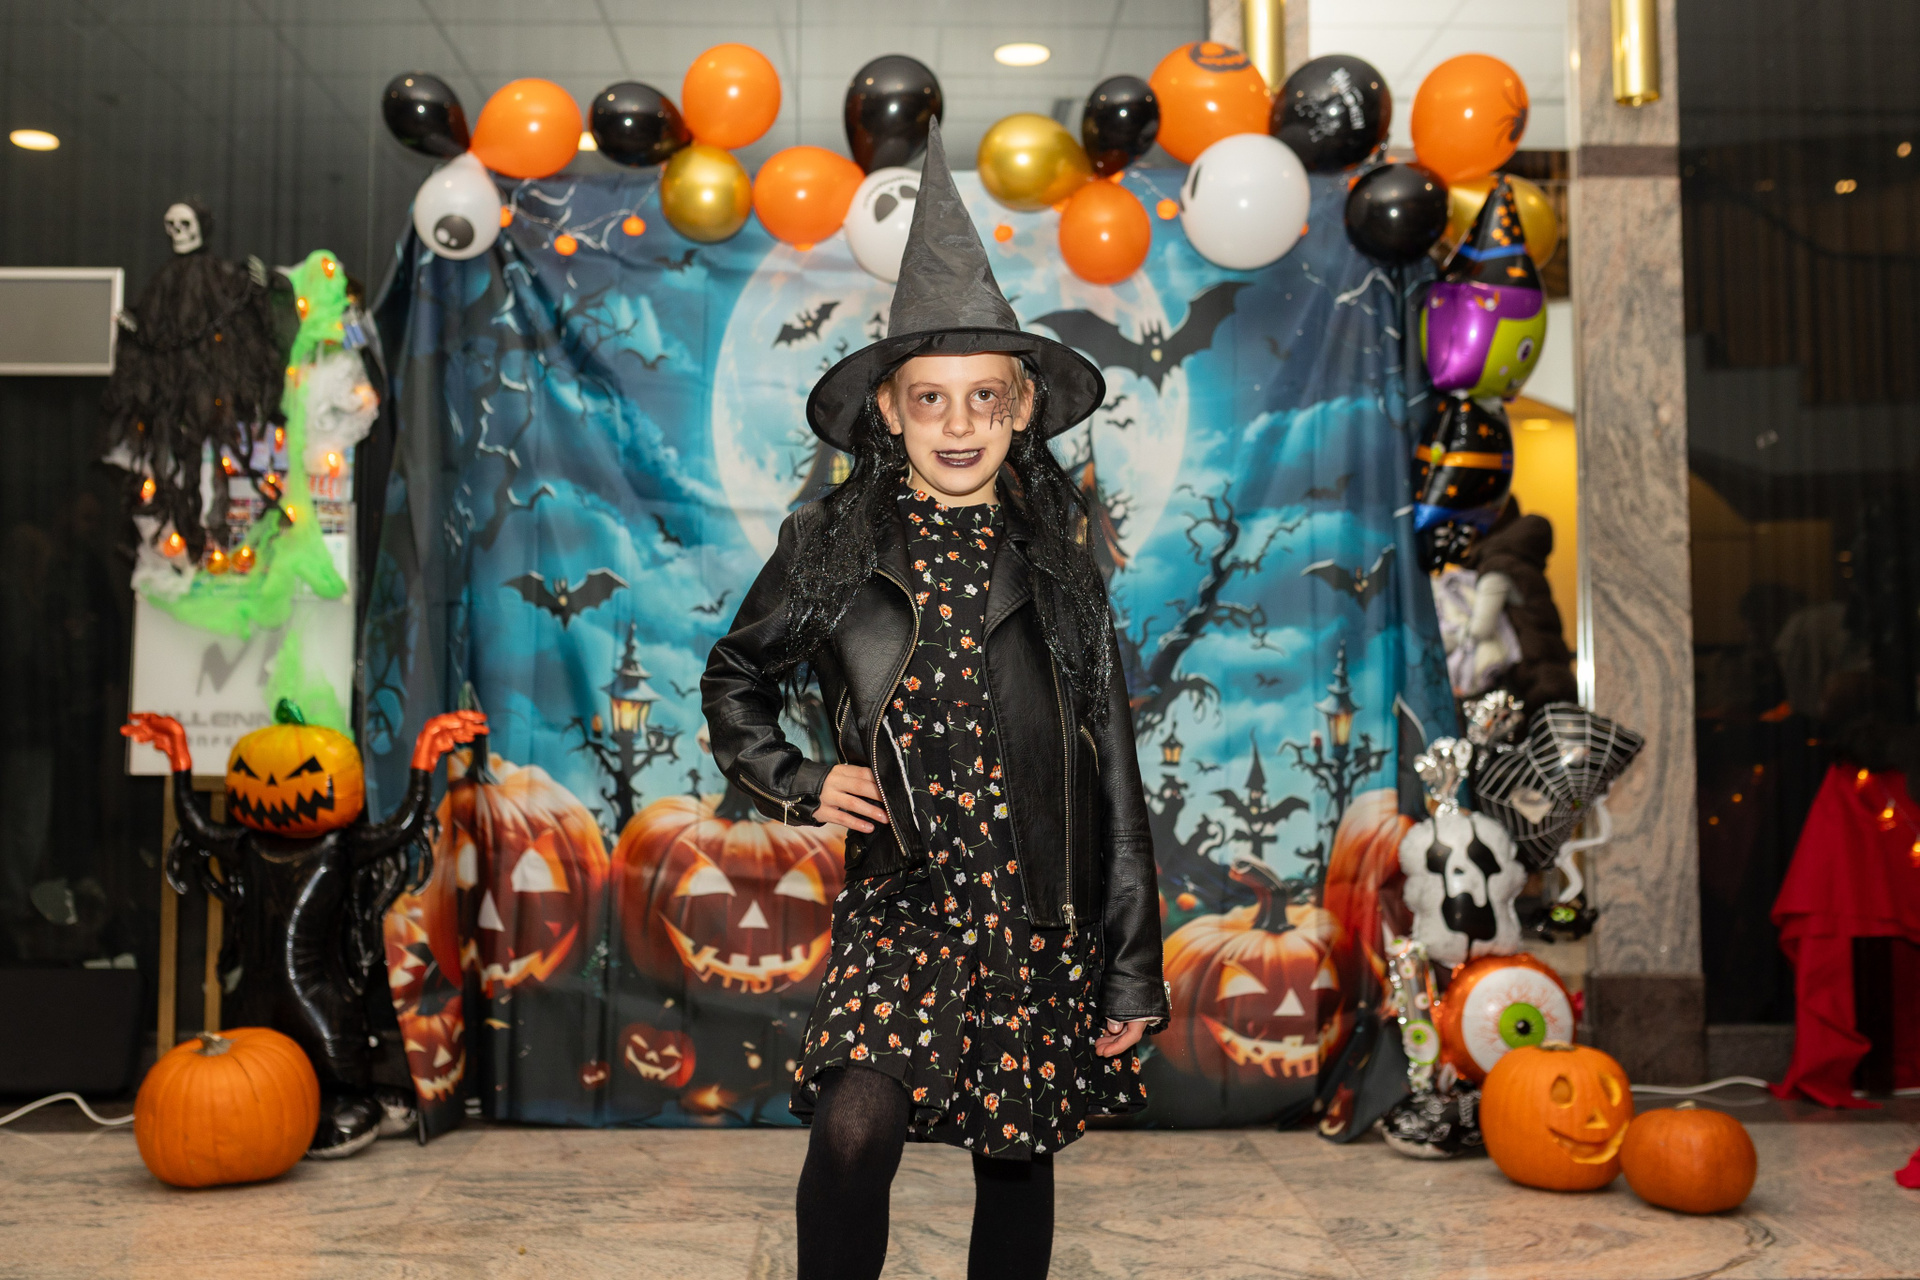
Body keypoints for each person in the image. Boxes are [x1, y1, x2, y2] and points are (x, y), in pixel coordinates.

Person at [702, 119, 1167, 1280]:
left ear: (1021, 407)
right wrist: (801, 780)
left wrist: (1131, 966)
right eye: (930, 400)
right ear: (889, 410)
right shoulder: (828, 547)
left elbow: (1114, 779)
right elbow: (735, 675)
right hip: (902, 896)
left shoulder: (1062, 567)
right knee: (853, 1129)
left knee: (1015, 1157)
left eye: (982, 398)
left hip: (1032, 909)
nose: (957, 426)